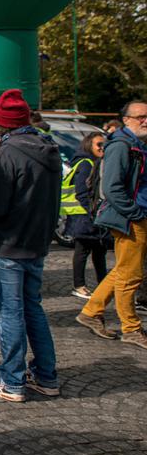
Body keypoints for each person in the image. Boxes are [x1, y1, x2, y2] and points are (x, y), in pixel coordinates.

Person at [0, 89, 62, 402]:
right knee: (33, 310)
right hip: (37, 243)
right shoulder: (49, 149)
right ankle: (46, 376)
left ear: (0, 123)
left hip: (7, 245)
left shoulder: (7, 154)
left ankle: (12, 381)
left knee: (10, 314)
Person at [76, 101, 147, 349]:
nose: (146, 121)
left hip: (135, 215)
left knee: (123, 269)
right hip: (130, 218)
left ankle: (91, 312)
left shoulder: (136, 144)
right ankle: (131, 328)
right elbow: (112, 187)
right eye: (141, 117)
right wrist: (135, 213)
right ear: (126, 120)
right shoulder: (121, 145)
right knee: (131, 275)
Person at [63, 133, 109, 300]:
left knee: (99, 250)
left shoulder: (94, 162)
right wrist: (92, 212)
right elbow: (82, 192)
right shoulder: (86, 163)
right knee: (82, 250)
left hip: (89, 214)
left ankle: (103, 284)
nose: (102, 147)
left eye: (104, 144)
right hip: (84, 215)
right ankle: (79, 286)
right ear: (89, 145)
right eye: (99, 144)